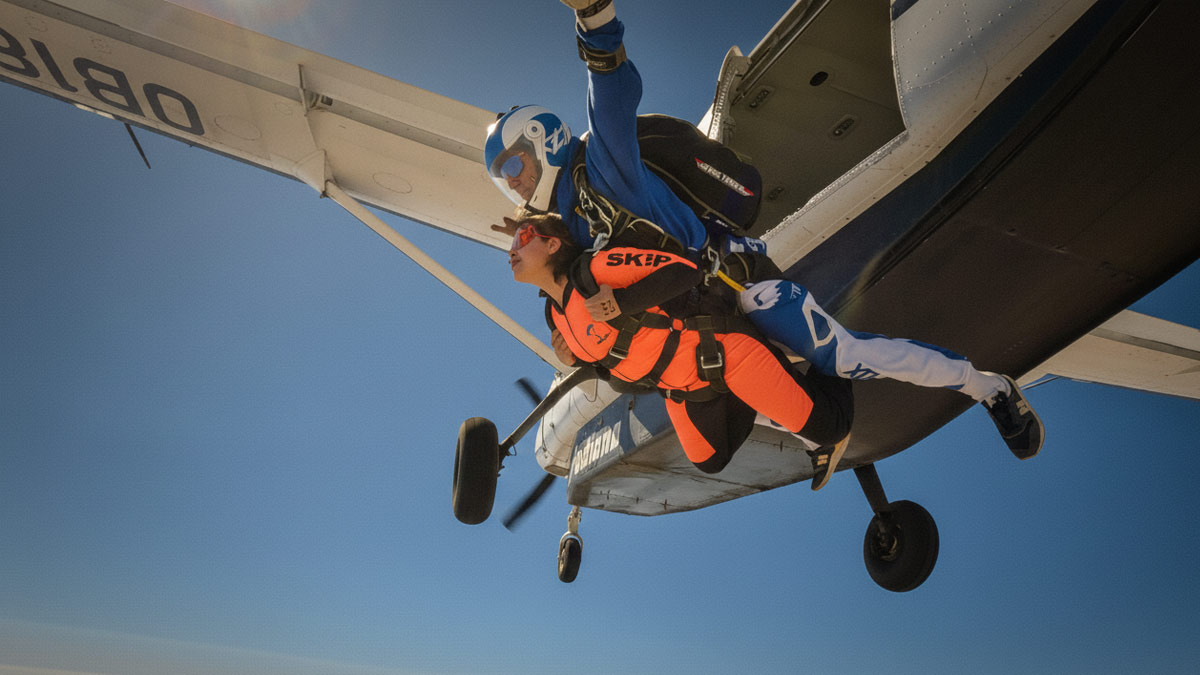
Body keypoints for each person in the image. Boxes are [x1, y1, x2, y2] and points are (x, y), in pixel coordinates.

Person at [486, 0, 1044, 460]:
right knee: (746, 395)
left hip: (737, 281)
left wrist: (594, 16)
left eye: (514, 166)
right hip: (704, 322)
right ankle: (819, 431)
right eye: (503, 180)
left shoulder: (602, 164)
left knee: (842, 356)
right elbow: (589, 297)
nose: (515, 185)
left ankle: (987, 386)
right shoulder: (571, 232)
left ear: (543, 137)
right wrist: (572, 339)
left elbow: (610, 89)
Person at [509, 213, 853, 490]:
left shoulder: (596, 269)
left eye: (522, 237)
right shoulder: (555, 315)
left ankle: (833, 354)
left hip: (721, 352)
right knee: (710, 459)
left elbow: (684, 270)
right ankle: (761, 389)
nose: (512, 249)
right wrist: (575, 359)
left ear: (553, 243)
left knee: (832, 429)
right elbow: (612, 358)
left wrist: (622, 302)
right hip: (680, 388)